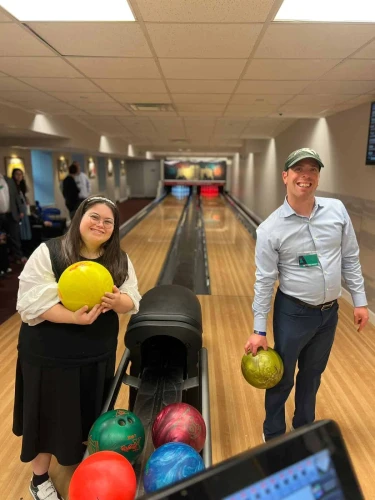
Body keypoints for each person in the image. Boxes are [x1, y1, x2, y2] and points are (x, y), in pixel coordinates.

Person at [13, 195, 141, 500]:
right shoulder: (50, 252)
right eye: (94, 217)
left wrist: (118, 301)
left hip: (95, 354)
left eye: (108, 221)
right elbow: (30, 304)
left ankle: (79, 459)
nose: (100, 224)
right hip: (48, 353)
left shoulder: (119, 259)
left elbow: (132, 299)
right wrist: (72, 317)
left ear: (114, 228)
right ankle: (39, 479)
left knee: (85, 412)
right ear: (79, 218)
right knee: (45, 417)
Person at [244, 148, 369, 442]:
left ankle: (303, 427)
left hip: (329, 312)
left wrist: (360, 301)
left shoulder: (337, 211)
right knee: (282, 376)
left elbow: (350, 257)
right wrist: (258, 330)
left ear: (318, 177)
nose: (306, 176)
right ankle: (273, 434)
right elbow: (264, 281)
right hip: (293, 312)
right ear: (285, 176)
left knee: (312, 374)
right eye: (299, 170)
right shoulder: (270, 229)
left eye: (313, 170)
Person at [0, 170, 25, 264]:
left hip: (11, 213)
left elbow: (16, 197)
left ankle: (18, 256)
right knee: (2, 238)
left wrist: (20, 210)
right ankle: (4, 262)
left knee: (15, 236)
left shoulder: (9, 180)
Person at [12, 168, 33, 256]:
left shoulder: (21, 186)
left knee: (26, 231)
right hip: (18, 213)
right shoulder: (12, 187)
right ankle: (21, 252)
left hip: (24, 211)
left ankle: (27, 250)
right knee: (19, 233)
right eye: (17, 174)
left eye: (20, 174)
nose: (19, 176)